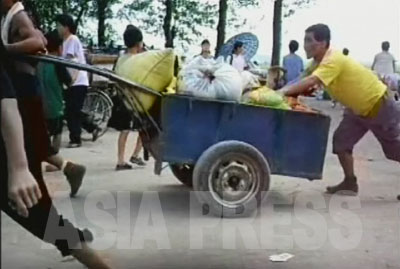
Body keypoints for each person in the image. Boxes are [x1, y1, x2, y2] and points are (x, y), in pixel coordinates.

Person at [0, 2, 112, 268]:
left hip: (23, 94)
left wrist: (18, 167)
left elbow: (36, 43)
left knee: (37, 200)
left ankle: (68, 230)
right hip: (22, 95)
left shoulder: (18, 14)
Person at [281, 24, 400, 198]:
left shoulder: (332, 59)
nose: (305, 45)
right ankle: (350, 183)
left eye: (309, 40)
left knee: (393, 151)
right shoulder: (316, 63)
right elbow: (302, 79)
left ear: (323, 43)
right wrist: (275, 92)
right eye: (304, 40)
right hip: (356, 110)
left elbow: (312, 80)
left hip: (378, 105)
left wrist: (282, 92)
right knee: (341, 143)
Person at [110, 25, 146, 170]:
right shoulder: (139, 60)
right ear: (139, 43)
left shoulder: (121, 59)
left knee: (124, 131)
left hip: (121, 98)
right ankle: (136, 154)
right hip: (136, 100)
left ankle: (120, 159)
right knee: (146, 129)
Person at [56, 14, 89, 148]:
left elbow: (74, 63)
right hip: (70, 82)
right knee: (71, 110)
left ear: (66, 27)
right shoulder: (63, 42)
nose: (57, 28)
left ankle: (76, 139)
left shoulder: (72, 39)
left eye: (59, 25)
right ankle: (91, 126)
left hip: (78, 81)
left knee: (73, 110)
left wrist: (72, 79)